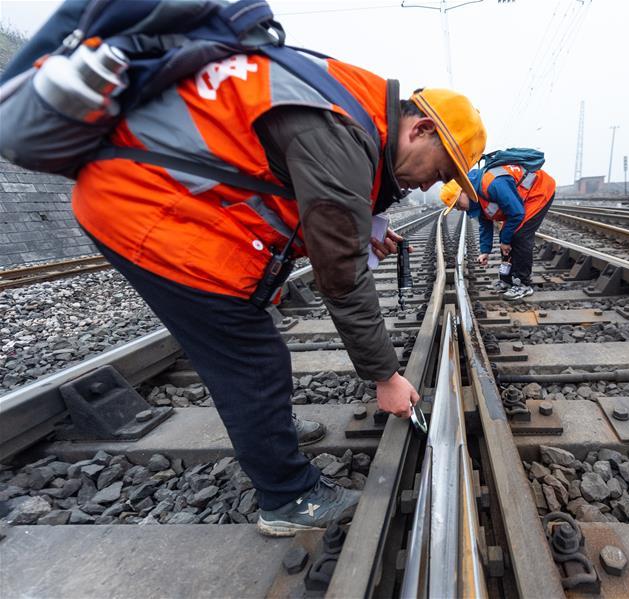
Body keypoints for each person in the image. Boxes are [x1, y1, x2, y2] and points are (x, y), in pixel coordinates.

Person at [70, 48, 486, 536]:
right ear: (421, 130)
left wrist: (357, 229)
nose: (428, 185)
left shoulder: (353, 107)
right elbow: (342, 275)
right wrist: (385, 374)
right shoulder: (343, 135)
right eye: (439, 170)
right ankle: (288, 496)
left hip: (168, 200)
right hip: (152, 213)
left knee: (257, 343)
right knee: (251, 359)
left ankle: (275, 437)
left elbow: (284, 186)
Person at [441, 161, 555, 300]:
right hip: (520, 201)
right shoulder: (476, 197)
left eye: (457, 204)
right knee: (506, 234)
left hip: (539, 191)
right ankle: (507, 281)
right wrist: (485, 251)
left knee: (519, 235)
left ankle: (523, 284)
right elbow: (485, 223)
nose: (458, 209)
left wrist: (506, 241)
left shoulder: (492, 184)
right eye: (455, 207)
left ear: (464, 191)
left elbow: (517, 213)